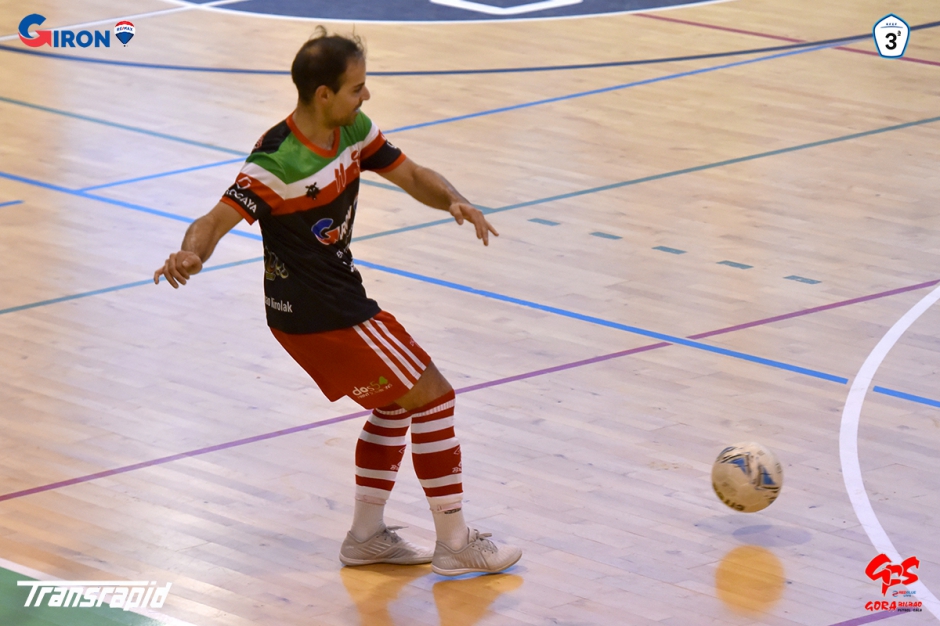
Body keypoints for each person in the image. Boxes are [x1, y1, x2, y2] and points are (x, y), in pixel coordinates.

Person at [153, 29, 522, 577]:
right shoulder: (277, 162)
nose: (365, 96)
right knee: (434, 397)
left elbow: (411, 174)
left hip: (324, 304)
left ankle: (366, 538)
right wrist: (191, 254)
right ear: (322, 94)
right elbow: (213, 220)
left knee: (395, 405)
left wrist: (454, 200)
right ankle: (455, 542)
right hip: (321, 312)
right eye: (356, 88)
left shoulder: (352, 129)